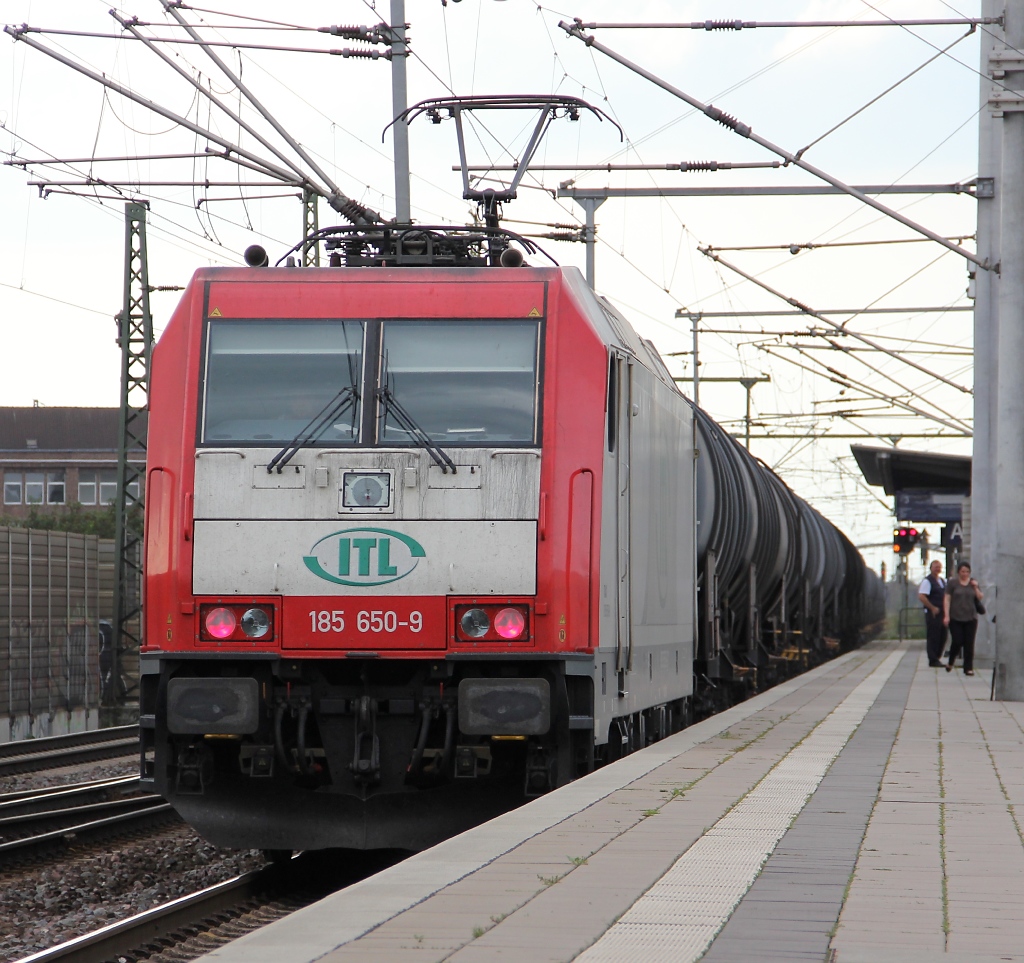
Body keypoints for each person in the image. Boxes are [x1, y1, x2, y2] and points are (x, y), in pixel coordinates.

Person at [944, 561, 983, 676]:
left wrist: (975, 587)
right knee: (957, 640)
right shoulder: (953, 583)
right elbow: (947, 599)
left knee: (969, 643)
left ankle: (968, 668)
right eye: (962, 571)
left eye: (967, 572)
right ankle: (951, 660)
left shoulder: (972, 583)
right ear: (958, 572)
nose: (965, 574)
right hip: (955, 617)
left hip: (971, 617)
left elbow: (980, 597)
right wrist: (946, 615)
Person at [917, 559, 946, 667]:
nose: (937, 569)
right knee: (933, 635)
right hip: (933, 613)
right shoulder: (927, 581)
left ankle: (937, 656)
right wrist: (932, 607)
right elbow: (922, 596)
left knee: (943, 635)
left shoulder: (942, 581)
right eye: (935, 567)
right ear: (931, 568)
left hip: (942, 612)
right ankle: (933, 659)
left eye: (939, 567)